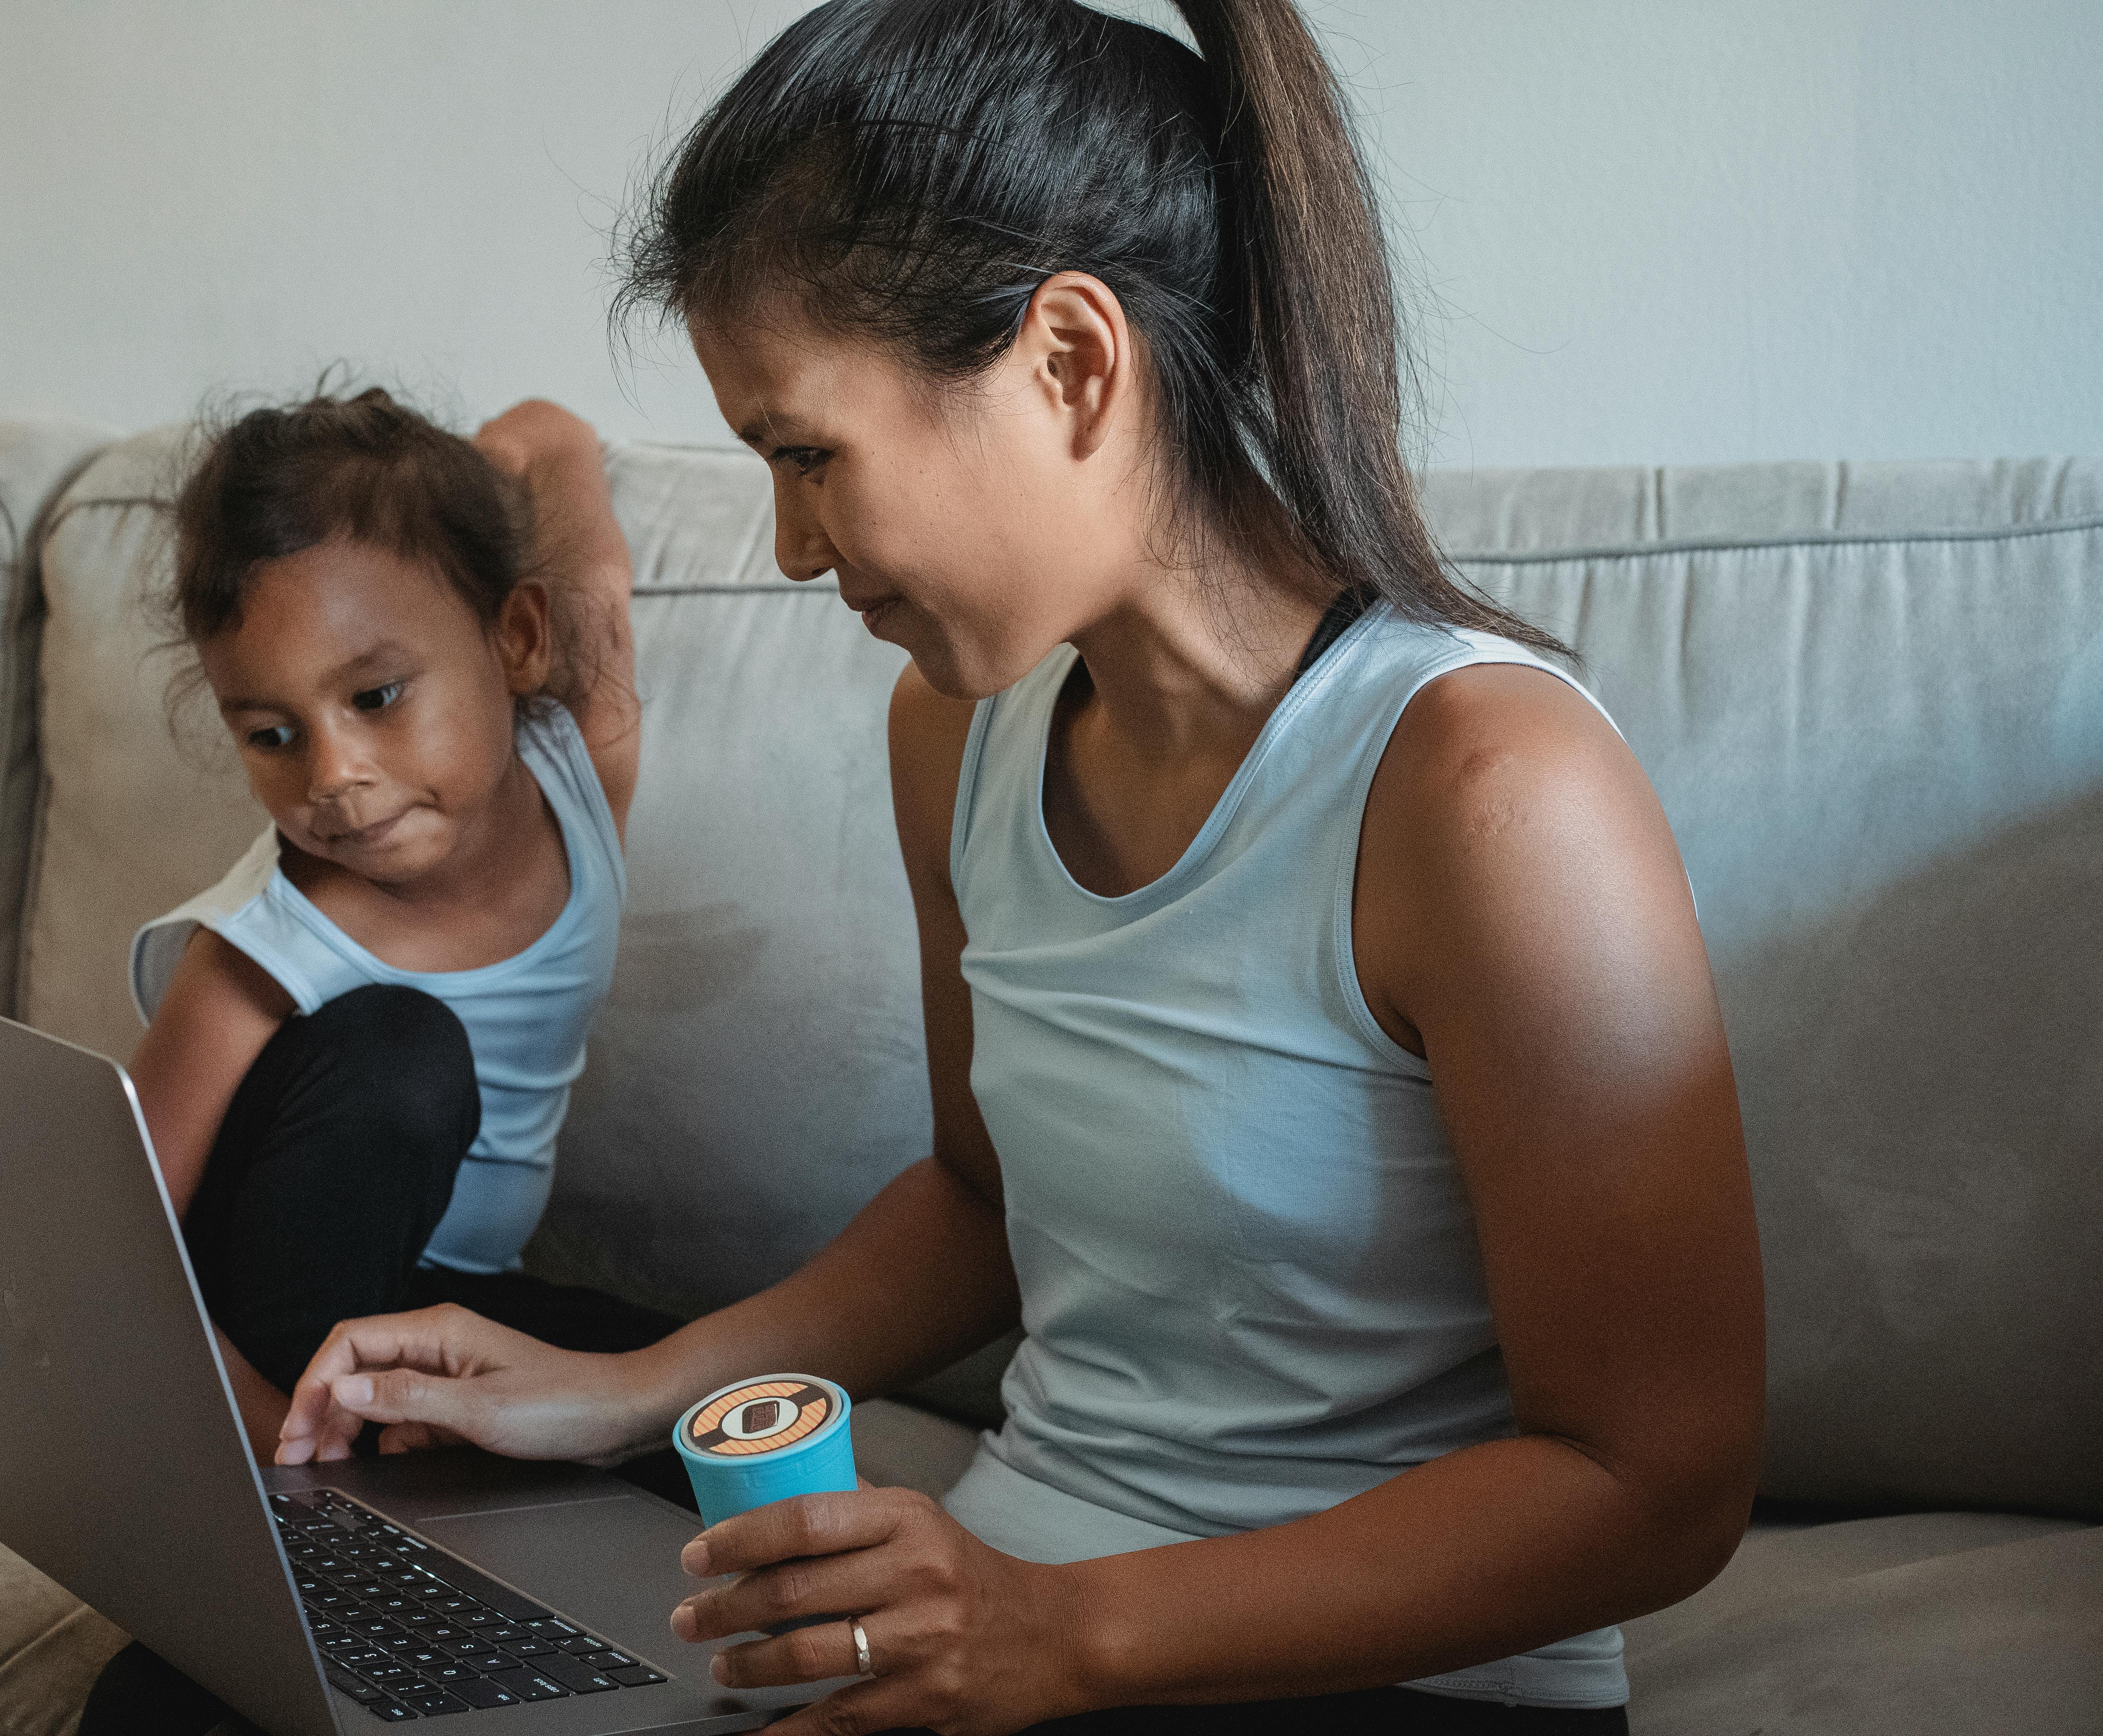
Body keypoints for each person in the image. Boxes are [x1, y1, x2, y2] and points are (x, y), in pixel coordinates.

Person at [273, 3, 1764, 1734]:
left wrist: (1065, 1630)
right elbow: (985, 1207)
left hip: (1379, 1673)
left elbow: (1656, 1477)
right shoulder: (957, 735)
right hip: (1007, 1631)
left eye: (807, 454)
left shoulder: (1490, 790)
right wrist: (621, 1393)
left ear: (1070, 363)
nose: (787, 546)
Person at [79, 390, 681, 1729]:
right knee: (413, 1054)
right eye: (273, 732)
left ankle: (443, 1476)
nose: (335, 778)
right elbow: (108, 1227)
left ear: (517, 638)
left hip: (445, 1297)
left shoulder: (583, 759)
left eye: (377, 696)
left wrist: (514, 459)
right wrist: (270, 1449)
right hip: (276, 1311)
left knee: (720, 1395)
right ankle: (342, 1505)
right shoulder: (267, 942)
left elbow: (556, 446)